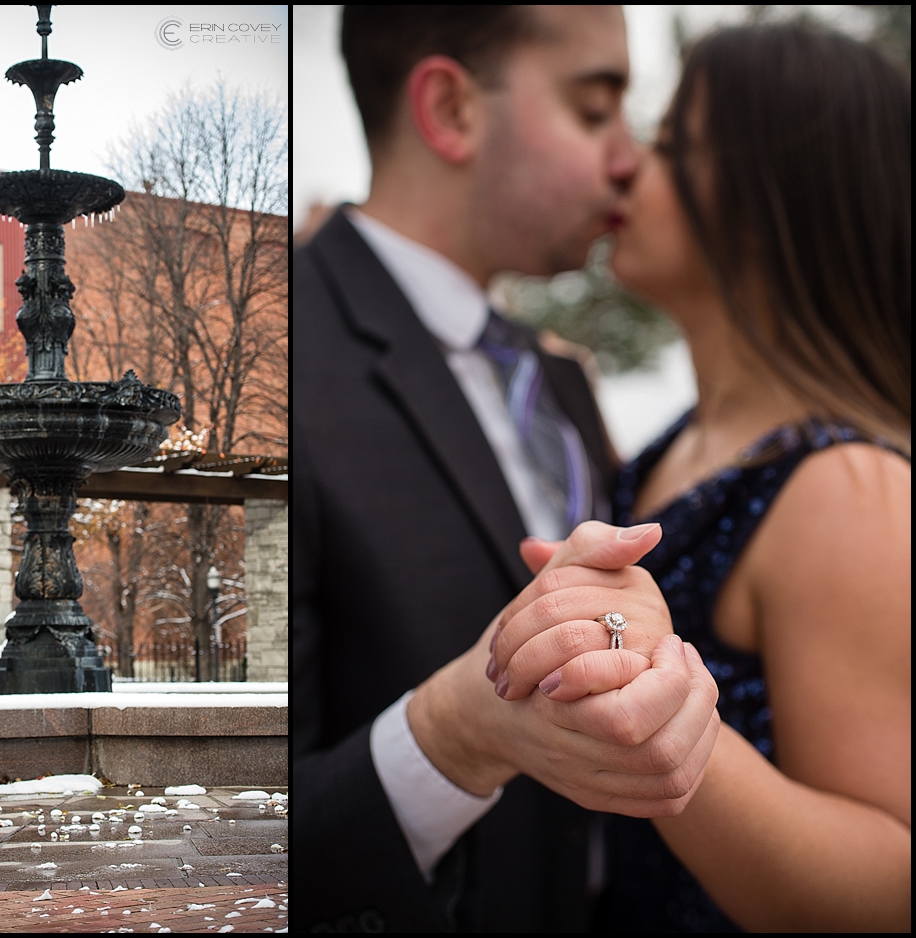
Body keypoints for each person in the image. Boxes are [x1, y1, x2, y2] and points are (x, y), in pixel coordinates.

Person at [294, 6, 721, 930]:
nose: (628, 160)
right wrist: (453, 734)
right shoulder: (285, 358)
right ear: (450, 109)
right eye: (594, 107)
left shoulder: (559, 379)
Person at [489, 22, 910, 932]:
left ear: (773, 204)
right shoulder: (686, 441)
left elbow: (891, 884)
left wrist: (655, 700)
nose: (630, 167)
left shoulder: (848, 491)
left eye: (673, 145)